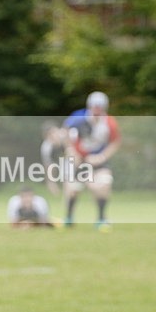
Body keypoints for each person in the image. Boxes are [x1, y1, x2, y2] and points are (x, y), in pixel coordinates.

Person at [62, 91, 121, 231]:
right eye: (94, 108)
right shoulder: (78, 118)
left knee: (103, 185)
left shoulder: (109, 123)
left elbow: (115, 142)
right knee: (72, 189)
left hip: (97, 161)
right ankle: (69, 218)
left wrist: (102, 157)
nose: (96, 111)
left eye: (99, 108)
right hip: (78, 160)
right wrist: (71, 151)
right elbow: (65, 134)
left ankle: (101, 218)